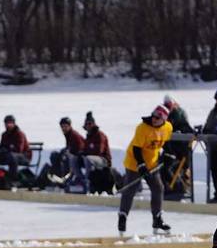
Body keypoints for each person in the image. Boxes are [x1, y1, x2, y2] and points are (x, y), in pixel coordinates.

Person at [117, 105, 174, 234]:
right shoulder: (142, 128)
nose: (154, 119)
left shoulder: (168, 127)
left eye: (158, 118)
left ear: (164, 119)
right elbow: (137, 149)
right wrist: (141, 165)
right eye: (153, 116)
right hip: (134, 162)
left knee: (158, 188)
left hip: (152, 163)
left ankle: (157, 219)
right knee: (131, 189)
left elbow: (166, 142)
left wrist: (169, 155)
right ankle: (122, 216)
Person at [161, 95, 194, 198]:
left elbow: (188, 130)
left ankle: (179, 188)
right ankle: (168, 188)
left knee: (173, 168)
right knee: (163, 167)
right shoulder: (164, 115)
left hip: (181, 150)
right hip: (169, 149)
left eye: (169, 105)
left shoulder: (179, 115)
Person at [0, 114, 31, 181]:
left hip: (24, 156)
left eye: (10, 123)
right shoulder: (4, 135)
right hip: (9, 155)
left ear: (13, 123)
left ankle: (12, 179)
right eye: (6, 123)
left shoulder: (19, 134)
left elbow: (19, 149)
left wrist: (8, 149)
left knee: (12, 156)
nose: (8, 125)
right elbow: (2, 146)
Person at [48, 116, 86, 190]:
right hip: (73, 155)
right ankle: (58, 177)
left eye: (65, 126)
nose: (63, 128)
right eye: (62, 127)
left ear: (69, 126)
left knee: (65, 158)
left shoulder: (74, 135)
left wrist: (68, 152)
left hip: (79, 157)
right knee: (56, 155)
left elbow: (81, 148)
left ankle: (67, 180)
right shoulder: (68, 135)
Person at [80, 111, 112, 193]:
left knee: (87, 158)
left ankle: (87, 181)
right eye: (87, 124)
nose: (88, 126)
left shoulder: (99, 135)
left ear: (94, 124)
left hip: (104, 160)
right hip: (93, 158)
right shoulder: (88, 136)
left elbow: (99, 151)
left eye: (90, 124)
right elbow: (86, 149)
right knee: (75, 158)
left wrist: (86, 152)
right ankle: (79, 180)